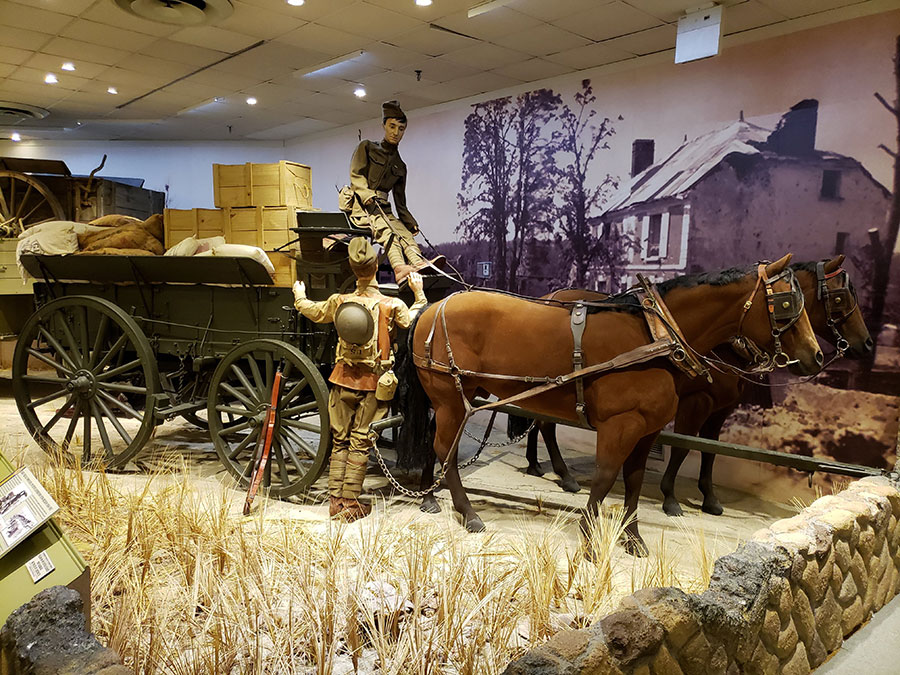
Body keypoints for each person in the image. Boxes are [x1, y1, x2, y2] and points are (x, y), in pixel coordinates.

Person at [292, 237, 427, 521]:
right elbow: (413, 319)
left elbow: (314, 311)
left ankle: (335, 501)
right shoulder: (392, 305)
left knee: (339, 439)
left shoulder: (339, 301)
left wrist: (299, 296)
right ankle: (351, 503)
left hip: (341, 379)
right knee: (360, 440)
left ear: (352, 269)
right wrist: (419, 295)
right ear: (377, 266)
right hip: (373, 384)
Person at [349, 100, 443, 282]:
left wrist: (410, 222)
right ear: (383, 125)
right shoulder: (367, 147)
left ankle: (418, 262)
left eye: (401, 129)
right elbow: (356, 175)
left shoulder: (400, 165)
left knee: (404, 233)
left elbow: (400, 202)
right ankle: (400, 268)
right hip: (362, 207)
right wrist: (366, 194)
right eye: (392, 126)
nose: (395, 133)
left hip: (384, 208)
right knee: (388, 232)